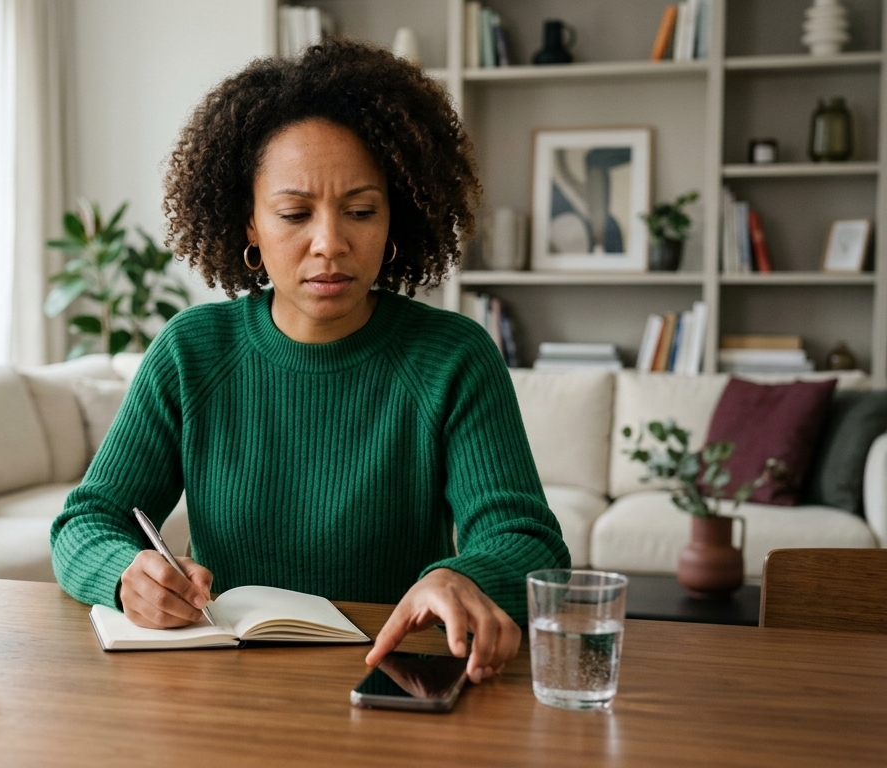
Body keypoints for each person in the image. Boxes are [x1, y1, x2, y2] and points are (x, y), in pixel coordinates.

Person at [50, 39, 569, 684]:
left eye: (360, 211)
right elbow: (86, 520)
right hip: (223, 688)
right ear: (249, 224)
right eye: (295, 213)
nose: (330, 244)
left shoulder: (452, 357)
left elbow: (527, 539)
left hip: (391, 680)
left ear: (395, 218)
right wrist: (124, 573)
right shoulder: (191, 352)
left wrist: (460, 576)